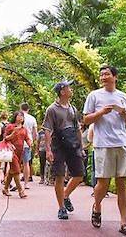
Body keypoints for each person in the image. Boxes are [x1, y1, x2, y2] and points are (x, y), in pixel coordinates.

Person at [83, 65, 126, 236]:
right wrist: (101, 112)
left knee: (122, 183)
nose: (103, 77)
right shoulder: (94, 95)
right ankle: (97, 206)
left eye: (107, 74)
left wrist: (124, 115)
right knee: (103, 184)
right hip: (103, 144)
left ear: (115, 77)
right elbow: (85, 119)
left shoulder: (123, 96)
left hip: (122, 143)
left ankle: (124, 223)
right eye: (101, 75)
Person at [43, 80, 85, 220]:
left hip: (72, 144)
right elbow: (47, 130)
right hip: (58, 145)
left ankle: (65, 195)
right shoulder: (52, 109)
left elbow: (78, 128)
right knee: (60, 175)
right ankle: (61, 208)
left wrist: (81, 146)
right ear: (62, 91)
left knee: (79, 174)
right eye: (69, 88)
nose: (71, 89)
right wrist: (48, 150)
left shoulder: (72, 108)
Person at [2, 110, 31, 198]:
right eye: (19, 116)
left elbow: (27, 138)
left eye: (22, 116)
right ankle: (20, 191)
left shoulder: (23, 129)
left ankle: (5, 188)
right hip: (11, 151)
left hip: (20, 152)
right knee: (17, 170)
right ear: (15, 117)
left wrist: (30, 143)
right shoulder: (10, 126)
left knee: (12, 171)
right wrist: (13, 134)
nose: (21, 117)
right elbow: (5, 138)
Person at [20, 102, 38, 187]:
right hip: (28, 143)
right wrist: (33, 141)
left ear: (21, 108)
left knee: (14, 162)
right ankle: (26, 184)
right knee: (26, 163)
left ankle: (10, 182)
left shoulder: (18, 117)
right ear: (28, 109)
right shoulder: (32, 119)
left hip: (17, 142)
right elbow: (35, 133)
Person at [0, 111, 10, 187]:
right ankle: (5, 179)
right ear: (7, 117)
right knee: (7, 162)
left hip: (0, 144)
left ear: (1, 117)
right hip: (7, 144)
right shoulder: (9, 124)